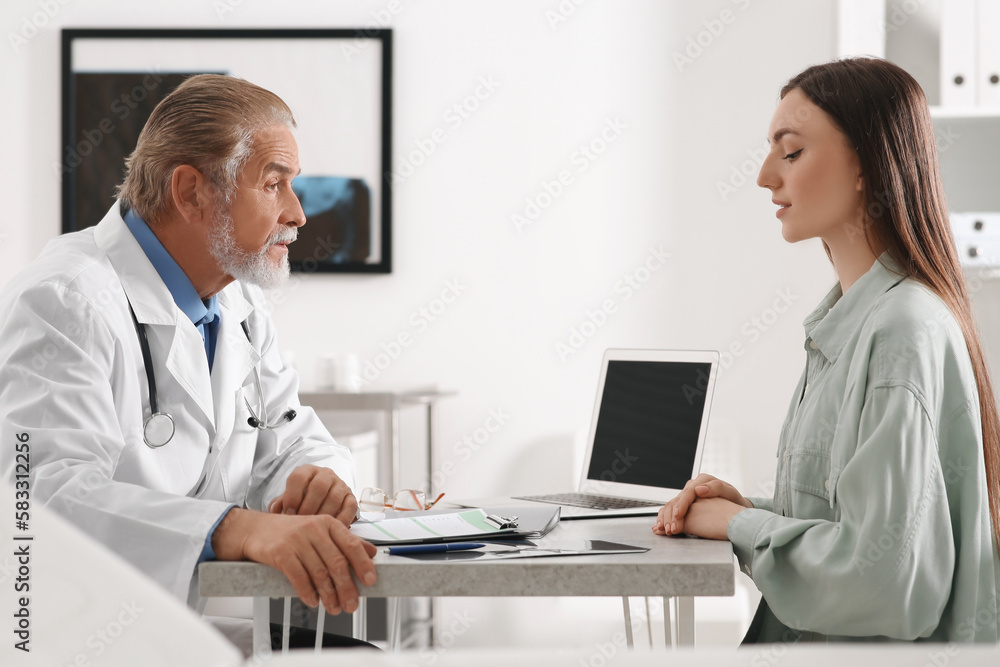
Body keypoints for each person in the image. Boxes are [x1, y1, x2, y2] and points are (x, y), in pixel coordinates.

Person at [0, 75, 377, 647]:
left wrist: (318, 477)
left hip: (160, 622)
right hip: (63, 635)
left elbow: (290, 432)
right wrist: (233, 528)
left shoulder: (239, 300)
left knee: (349, 656)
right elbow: (40, 499)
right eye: (274, 184)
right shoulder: (64, 299)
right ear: (191, 191)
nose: (298, 213)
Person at [653, 57, 1000, 643]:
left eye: (790, 153)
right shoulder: (851, 321)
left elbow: (884, 582)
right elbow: (859, 527)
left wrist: (740, 524)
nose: (765, 176)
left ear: (866, 164)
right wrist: (752, 511)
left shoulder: (900, 329)